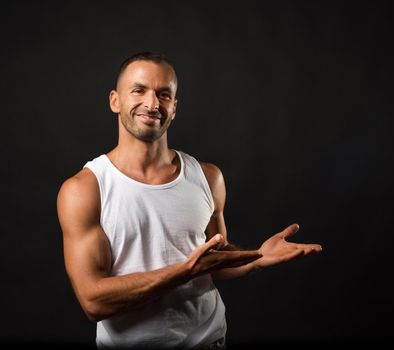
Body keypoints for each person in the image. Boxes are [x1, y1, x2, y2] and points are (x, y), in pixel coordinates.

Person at [56, 51, 322, 349]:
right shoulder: (85, 188)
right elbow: (93, 301)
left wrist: (257, 257)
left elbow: (213, 264)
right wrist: (183, 272)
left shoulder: (207, 177)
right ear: (115, 101)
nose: (152, 103)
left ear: (174, 107)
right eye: (139, 90)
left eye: (164, 94)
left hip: (209, 341)